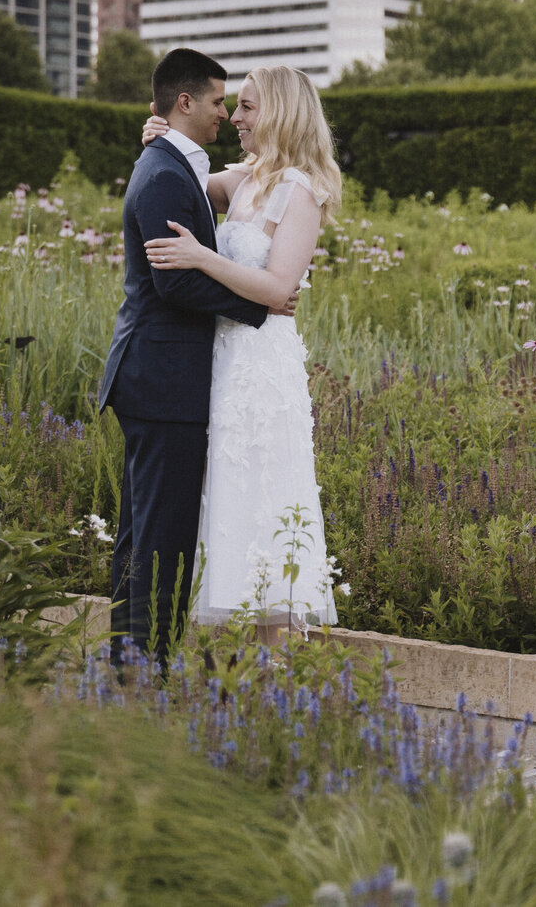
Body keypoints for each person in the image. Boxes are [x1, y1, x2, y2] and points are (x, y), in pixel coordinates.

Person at [98, 47, 299, 666]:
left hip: (168, 375)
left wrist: (157, 135)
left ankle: (131, 665)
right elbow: (175, 282)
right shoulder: (165, 172)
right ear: (186, 102)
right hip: (164, 378)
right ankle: (146, 671)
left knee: (144, 532)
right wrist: (260, 307)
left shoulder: (180, 166)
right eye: (219, 102)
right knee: (162, 538)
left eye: (240, 105)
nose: (227, 114)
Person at [143, 64, 343, 626]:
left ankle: (275, 650)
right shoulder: (244, 178)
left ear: (280, 112)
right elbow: (182, 175)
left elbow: (278, 288)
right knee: (226, 488)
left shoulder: (301, 191)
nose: (234, 117)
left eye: (248, 107)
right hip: (223, 358)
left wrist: (202, 258)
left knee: (263, 488)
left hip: (262, 363)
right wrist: (161, 134)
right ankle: (234, 641)